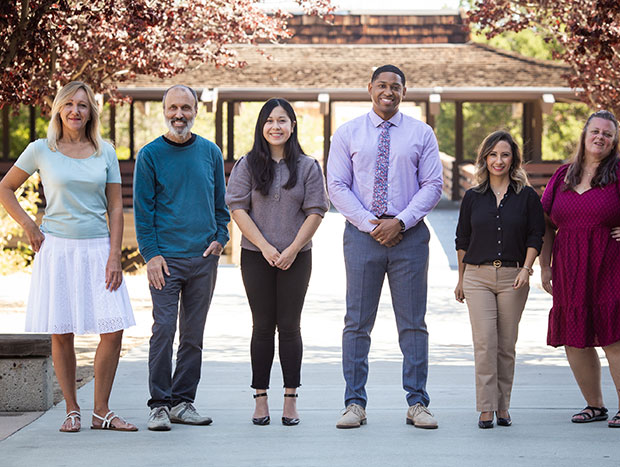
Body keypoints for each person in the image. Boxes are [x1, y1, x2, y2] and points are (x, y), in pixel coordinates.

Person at [0, 81, 137, 432]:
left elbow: (116, 210)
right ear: (59, 109)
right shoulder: (41, 149)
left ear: (91, 111)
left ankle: (101, 410)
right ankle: (72, 410)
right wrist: (30, 226)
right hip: (57, 250)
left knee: (113, 328)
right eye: (69, 104)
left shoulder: (104, 150)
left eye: (83, 105)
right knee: (62, 331)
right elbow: (5, 188)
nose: (76, 110)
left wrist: (114, 256)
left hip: (97, 249)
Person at [540, 110, 620, 428]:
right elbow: (544, 223)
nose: (600, 137)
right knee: (575, 337)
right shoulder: (563, 176)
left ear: (614, 142)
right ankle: (594, 405)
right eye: (595, 131)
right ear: (584, 135)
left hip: (615, 264)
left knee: (616, 336)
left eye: (608, 134)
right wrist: (546, 267)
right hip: (571, 267)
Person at [327, 64, 443, 429]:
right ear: (370, 88)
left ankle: (417, 403)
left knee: (412, 324)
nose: (388, 91)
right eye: (381, 85)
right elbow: (337, 185)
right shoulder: (347, 133)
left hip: (409, 237)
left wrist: (400, 222)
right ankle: (354, 403)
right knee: (357, 323)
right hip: (363, 237)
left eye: (395, 86)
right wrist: (369, 222)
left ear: (404, 92)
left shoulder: (421, 133)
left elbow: (433, 184)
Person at [226, 98, 329, 426]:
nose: (276, 127)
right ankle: (260, 398)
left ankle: (290, 398)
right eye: (269, 121)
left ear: (293, 126)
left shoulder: (309, 166)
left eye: (282, 120)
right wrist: (266, 246)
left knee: (289, 326)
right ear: (261, 127)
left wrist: (293, 249)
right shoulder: (247, 164)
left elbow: (317, 210)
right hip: (256, 257)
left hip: (297, 258)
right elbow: (237, 208)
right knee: (261, 326)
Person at [134, 84, 230, 431]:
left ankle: (182, 402)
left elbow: (222, 204)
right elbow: (143, 212)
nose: (179, 115)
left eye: (186, 108)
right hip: (166, 261)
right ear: (164, 111)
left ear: (195, 111)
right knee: (163, 330)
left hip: (203, 259)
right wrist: (152, 254)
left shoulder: (210, 152)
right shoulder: (150, 155)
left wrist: (221, 237)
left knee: (193, 334)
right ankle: (159, 404)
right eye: (173, 108)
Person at [454, 131, 544, 429]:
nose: (498, 160)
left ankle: (503, 407)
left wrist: (526, 269)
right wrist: (461, 280)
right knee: (485, 343)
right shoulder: (472, 197)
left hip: (513, 277)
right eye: (493, 154)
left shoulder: (527, 197)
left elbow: (536, 235)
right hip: (477, 277)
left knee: (506, 345)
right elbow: (462, 239)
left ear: (513, 159)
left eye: (504, 155)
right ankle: (485, 407)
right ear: (485, 158)